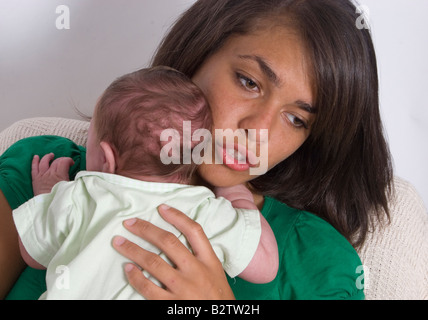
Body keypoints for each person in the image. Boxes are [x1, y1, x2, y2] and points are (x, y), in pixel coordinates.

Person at [1, 0, 393, 300]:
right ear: (198, 53)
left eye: (297, 119)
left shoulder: (319, 264)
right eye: (248, 82)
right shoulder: (48, 170)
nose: (257, 131)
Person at [11, 67, 278, 299]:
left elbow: (33, 255)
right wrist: (235, 192)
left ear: (107, 159)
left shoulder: (81, 195)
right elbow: (265, 267)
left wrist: (49, 191)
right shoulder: (203, 211)